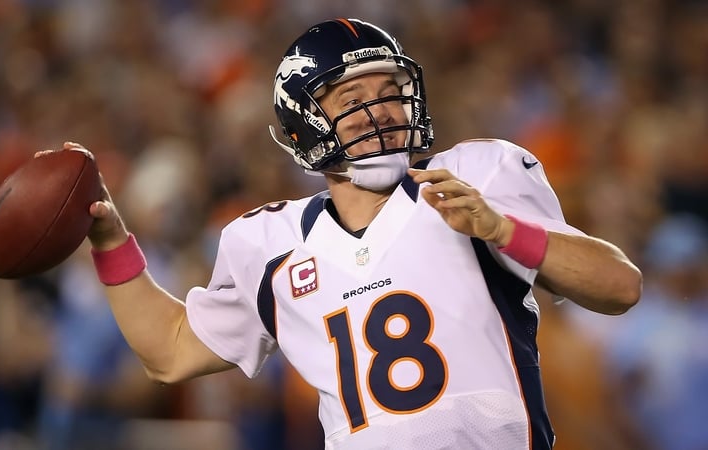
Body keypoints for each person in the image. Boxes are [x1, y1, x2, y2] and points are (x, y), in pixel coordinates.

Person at [71, 18, 641, 450]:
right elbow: (169, 352)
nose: (383, 112)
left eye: (390, 92)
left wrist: (502, 229)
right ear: (303, 125)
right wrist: (109, 239)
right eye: (354, 100)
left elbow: (619, 287)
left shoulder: (476, 175)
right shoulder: (268, 242)